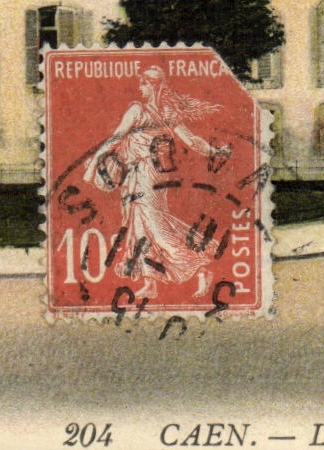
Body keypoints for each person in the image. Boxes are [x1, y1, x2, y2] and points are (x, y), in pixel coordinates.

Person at [83, 66, 232, 301]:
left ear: (152, 85)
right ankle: (150, 282)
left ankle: (199, 266)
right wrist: (215, 151)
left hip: (145, 173)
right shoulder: (166, 112)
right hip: (144, 173)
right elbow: (192, 141)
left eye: (143, 83)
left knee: (155, 226)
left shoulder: (138, 110)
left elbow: (116, 137)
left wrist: (93, 165)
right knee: (138, 226)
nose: (140, 88)